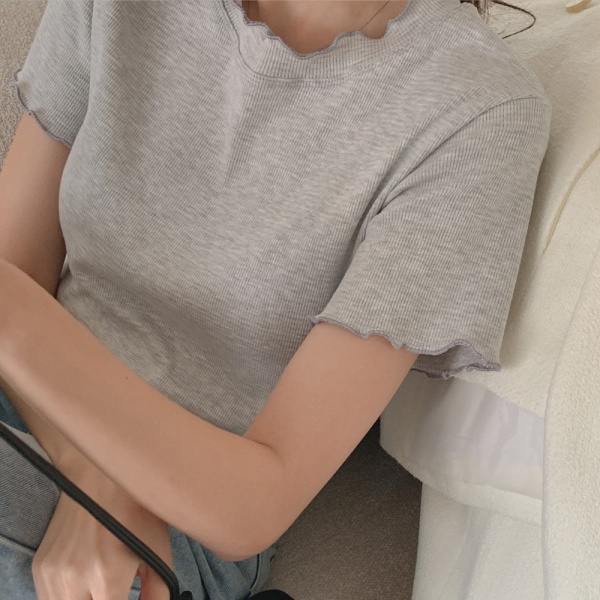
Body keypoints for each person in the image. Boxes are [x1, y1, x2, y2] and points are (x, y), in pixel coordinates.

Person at [0, 0, 551, 598]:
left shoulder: (479, 111)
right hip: (28, 403)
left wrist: (105, 486)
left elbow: (261, 495)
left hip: (185, 503)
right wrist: (95, 479)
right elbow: (18, 272)